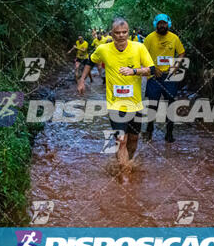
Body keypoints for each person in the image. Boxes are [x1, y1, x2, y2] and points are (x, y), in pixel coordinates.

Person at [77, 18, 155, 168]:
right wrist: (81, 80)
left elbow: (151, 69)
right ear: (111, 34)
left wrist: (134, 71)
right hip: (115, 103)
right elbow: (90, 61)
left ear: (128, 32)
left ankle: (128, 162)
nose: (121, 35)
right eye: (117, 33)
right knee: (121, 139)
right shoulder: (103, 49)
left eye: (124, 32)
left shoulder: (138, 47)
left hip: (135, 104)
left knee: (133, 139)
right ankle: (124, 173)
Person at [143, 14, 186, 143]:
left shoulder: (174, 38)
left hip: (170, 77)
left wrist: (176, 67)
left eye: (164, 23)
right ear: (156, 24)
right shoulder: (150, 38)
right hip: (154, 77)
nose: (162, 26)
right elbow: (142, 54)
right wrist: (151, 68)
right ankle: (149, 132)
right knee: (152, 106)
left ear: (168, 24)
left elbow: (182, 52)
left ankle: (169, 134)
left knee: (171, 105)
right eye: (160, 23)